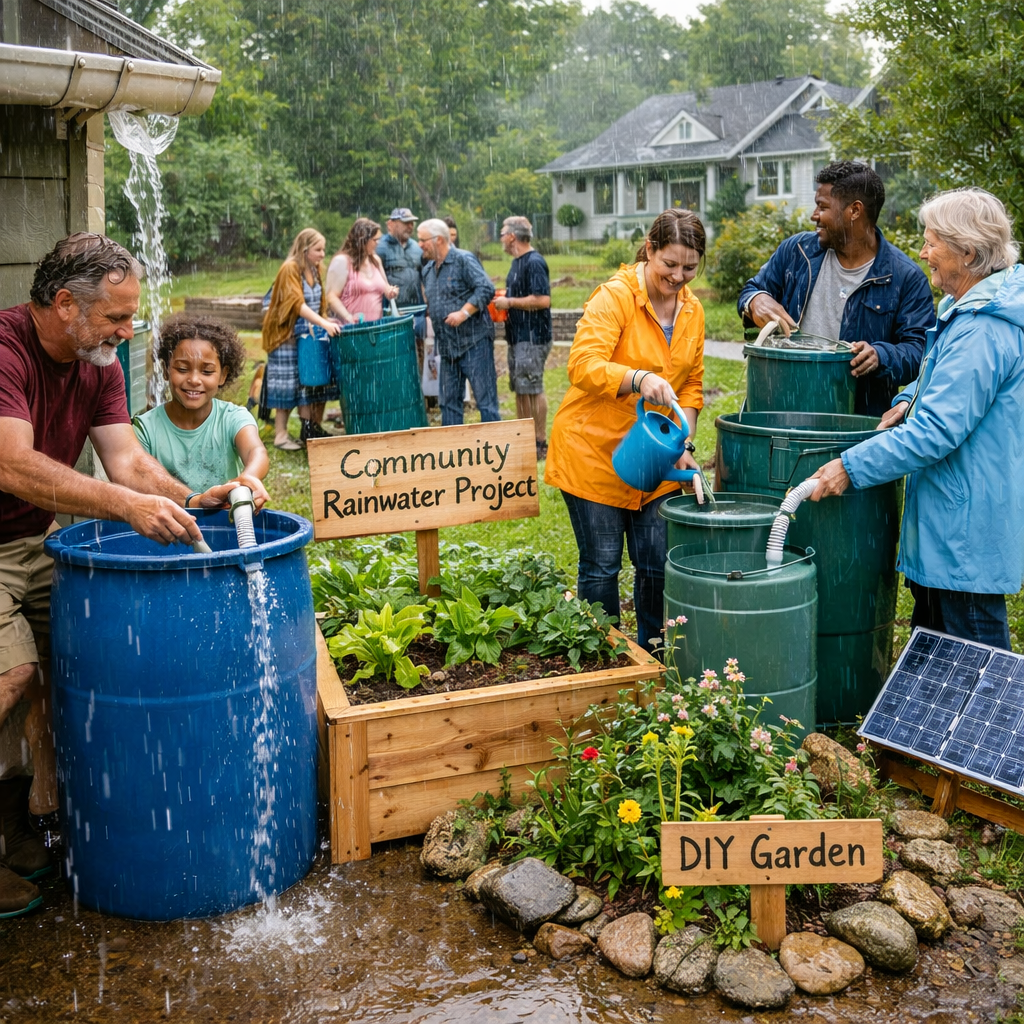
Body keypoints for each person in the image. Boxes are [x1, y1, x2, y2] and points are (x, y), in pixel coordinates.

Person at [0, 234, 241, 916]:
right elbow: (11, 464)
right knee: (11, 677)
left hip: (36, 539)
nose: (127, 330)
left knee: (83, 663)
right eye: (115, 317)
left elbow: (128, 464)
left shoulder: (98, 360)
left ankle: (19, 827)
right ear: (65, 304)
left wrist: (189, 498)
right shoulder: (6, 351)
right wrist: (121, 504)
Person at [810, 188, 1024, 649]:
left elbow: (936, 433)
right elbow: (943, 380)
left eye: (932, 243)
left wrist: (849, 467)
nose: (922, 252)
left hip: (964, 532)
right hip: (951, 519)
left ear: (967, 252)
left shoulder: (983, 330)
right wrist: (909, 397)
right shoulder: (964, 313)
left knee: (976, 675)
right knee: (940, 663)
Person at [545, 209, 706, 654]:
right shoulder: (615, 298)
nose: (678, 277)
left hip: (652, 455)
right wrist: (636, 379)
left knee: (656, 563)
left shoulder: (692, 310)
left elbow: (690, 384)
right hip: (593, 453)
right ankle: (606, 660)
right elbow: (581, 365)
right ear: (650, 249)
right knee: (601, 565)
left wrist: (681, 443)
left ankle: (654, 655)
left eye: (689, 267)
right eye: (669, 264)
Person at [738, 161, 935, 416]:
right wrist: (755, 300)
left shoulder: (905, 278)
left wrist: (881, 354)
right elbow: (751, 290)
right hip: (782, 406)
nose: (814, 215)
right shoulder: (796, 252)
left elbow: (921, 351)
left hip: (856, 421)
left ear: (854, 211)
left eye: (823, 206)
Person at [133, 313, 270, 506]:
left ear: (223, 375)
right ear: (165, 370)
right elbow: (140, 480)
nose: (194, 380)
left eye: (207, 371)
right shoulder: (145, 428)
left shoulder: (233, 418)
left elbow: (257, 451)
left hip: (225, 522)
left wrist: (246, 479)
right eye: (182, 369)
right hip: (168, 527)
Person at [261, 228, 341, 450]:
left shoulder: (314, 270)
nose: (322, 254)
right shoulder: (290, 269)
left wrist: (327, 322)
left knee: (305, 383)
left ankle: (309, 430)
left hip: (305, 337)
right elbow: (297, 304)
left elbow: (319, 304)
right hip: (284, 336)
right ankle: (280, 435)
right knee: (286, 386)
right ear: (305, 249)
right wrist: (323, 323)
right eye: (318, 249)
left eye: (323, 249)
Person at [418, 217, 499, 425]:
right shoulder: (427, 270)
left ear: (439, 240)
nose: (419, 245)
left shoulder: (464, 260)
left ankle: (497, 452)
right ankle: (454, 454)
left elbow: (486, 289)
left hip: (474, 342)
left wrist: (463, 313)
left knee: (486, 402)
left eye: (422, 240)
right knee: (448, 403)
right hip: (447, 348)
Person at [492, 216, 552, 460]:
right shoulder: (517, 262)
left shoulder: (534, 262)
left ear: (512, 236)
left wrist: (510, 302)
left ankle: (540, 442)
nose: (500, 238)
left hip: (533, 337)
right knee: (520, 389)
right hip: (518, 336)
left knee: (533, 388)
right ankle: (523, 438)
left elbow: (543, 300)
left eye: (502, 233)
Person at [325, 218, 399, 325]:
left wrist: (391, 292)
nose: (378, 243)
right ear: (362, 240)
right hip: (351, 329)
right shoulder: (342, 261)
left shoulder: (375, 260)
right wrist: (348, 317)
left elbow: (386, 289)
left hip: (376, 328)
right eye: (375, 240)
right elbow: (331, 297)